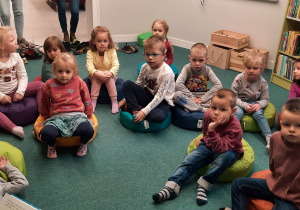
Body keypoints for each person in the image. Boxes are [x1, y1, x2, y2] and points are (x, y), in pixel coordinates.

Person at [152, 89, 244, 206]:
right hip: (209, 144)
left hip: (229, 150)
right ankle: (171, 187)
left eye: (223, 109)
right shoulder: (207, 115)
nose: (216, 113)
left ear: (233, 111)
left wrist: (212, 132)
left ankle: (203, 186)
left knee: (224, 159)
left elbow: (221, 148)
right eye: (214, 108)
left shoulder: (235, 127)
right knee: (189, 159)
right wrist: (205, 137)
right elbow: (205, 130)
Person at [221, 98, 300, 210]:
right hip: (275, 185)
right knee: (238, 184)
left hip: (294, 198)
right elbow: (273, 166)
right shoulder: (275, 137)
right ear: (281, 123)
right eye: (287, 124)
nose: (292, 130)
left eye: (298, 126)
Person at [39, 53, 94, 159]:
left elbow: (87, 99)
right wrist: (45, 117)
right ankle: (51, 145)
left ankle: (83, 144)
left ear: (74, 71)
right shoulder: (49, 84)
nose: (64, 75)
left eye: (68, 72)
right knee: (45, 133)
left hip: (77, 116)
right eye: (60, 71)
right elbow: (44, 102)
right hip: (56, 118)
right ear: (54, 70)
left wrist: (89, 115)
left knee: (88, 130)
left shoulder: (79, 81)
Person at [118, 35, 175, 123]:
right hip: (148, 95)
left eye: (155, 54)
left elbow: (159, 97)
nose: (150, 57)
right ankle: (135, 109)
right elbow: (138, 85)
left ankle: (135, 107)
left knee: (158, 116)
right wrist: (125, 99)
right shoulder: (144, 67)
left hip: (163, 102)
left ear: (163, 55)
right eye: (147, 54)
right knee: (127, 84)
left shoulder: (167, 72)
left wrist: (144, 112)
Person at [0, 26, 43, 139]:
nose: (16, 43)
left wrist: (20, 91)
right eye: (11, 40)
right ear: (1, 46)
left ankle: (43, 116)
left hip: (16, 89)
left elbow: (23, 76)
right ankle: (13, 128)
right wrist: (1, 96)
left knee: (40, 85)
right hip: (2, 95)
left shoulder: (16, 57)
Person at [231, 50, 271, 149]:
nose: (251, 70)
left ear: (262, 68)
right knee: (237, 113)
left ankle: (269, 137)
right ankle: (229, 132)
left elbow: (265, 99)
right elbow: (232, 96)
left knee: (259, 114)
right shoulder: (238, 79)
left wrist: (258, 105)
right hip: (239, 102)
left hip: (254, 103)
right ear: (245, 66)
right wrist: (244, 105)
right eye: (248, 67)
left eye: (255, 68)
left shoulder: (263, 83)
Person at [174, 43, 222, 112]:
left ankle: (191, 107)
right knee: (177, 95)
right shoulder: (186, 68)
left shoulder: (207, 70)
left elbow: (218, 85)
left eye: (201, 60)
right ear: (189, 58)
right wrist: (192, 97)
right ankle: (202, 109)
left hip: (203, 99)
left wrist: (203, 98)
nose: (197, 63)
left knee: (221, 97)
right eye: (194, 60)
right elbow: (178, 84)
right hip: (189, 98)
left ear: (206, 59)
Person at [86, 26, 119, 114]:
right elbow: (89, 66)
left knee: (110, 79)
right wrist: (97, 74)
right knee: (96, 78)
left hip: (109, 75)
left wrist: (111, 73)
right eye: (99, 41)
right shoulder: (90, 52)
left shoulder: (112, 51)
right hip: (95, 76)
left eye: (105, 41)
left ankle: (114, 101)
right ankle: (93, 101)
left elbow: (116, 64)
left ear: (109, 41)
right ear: (94, 41)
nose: (102, 44)